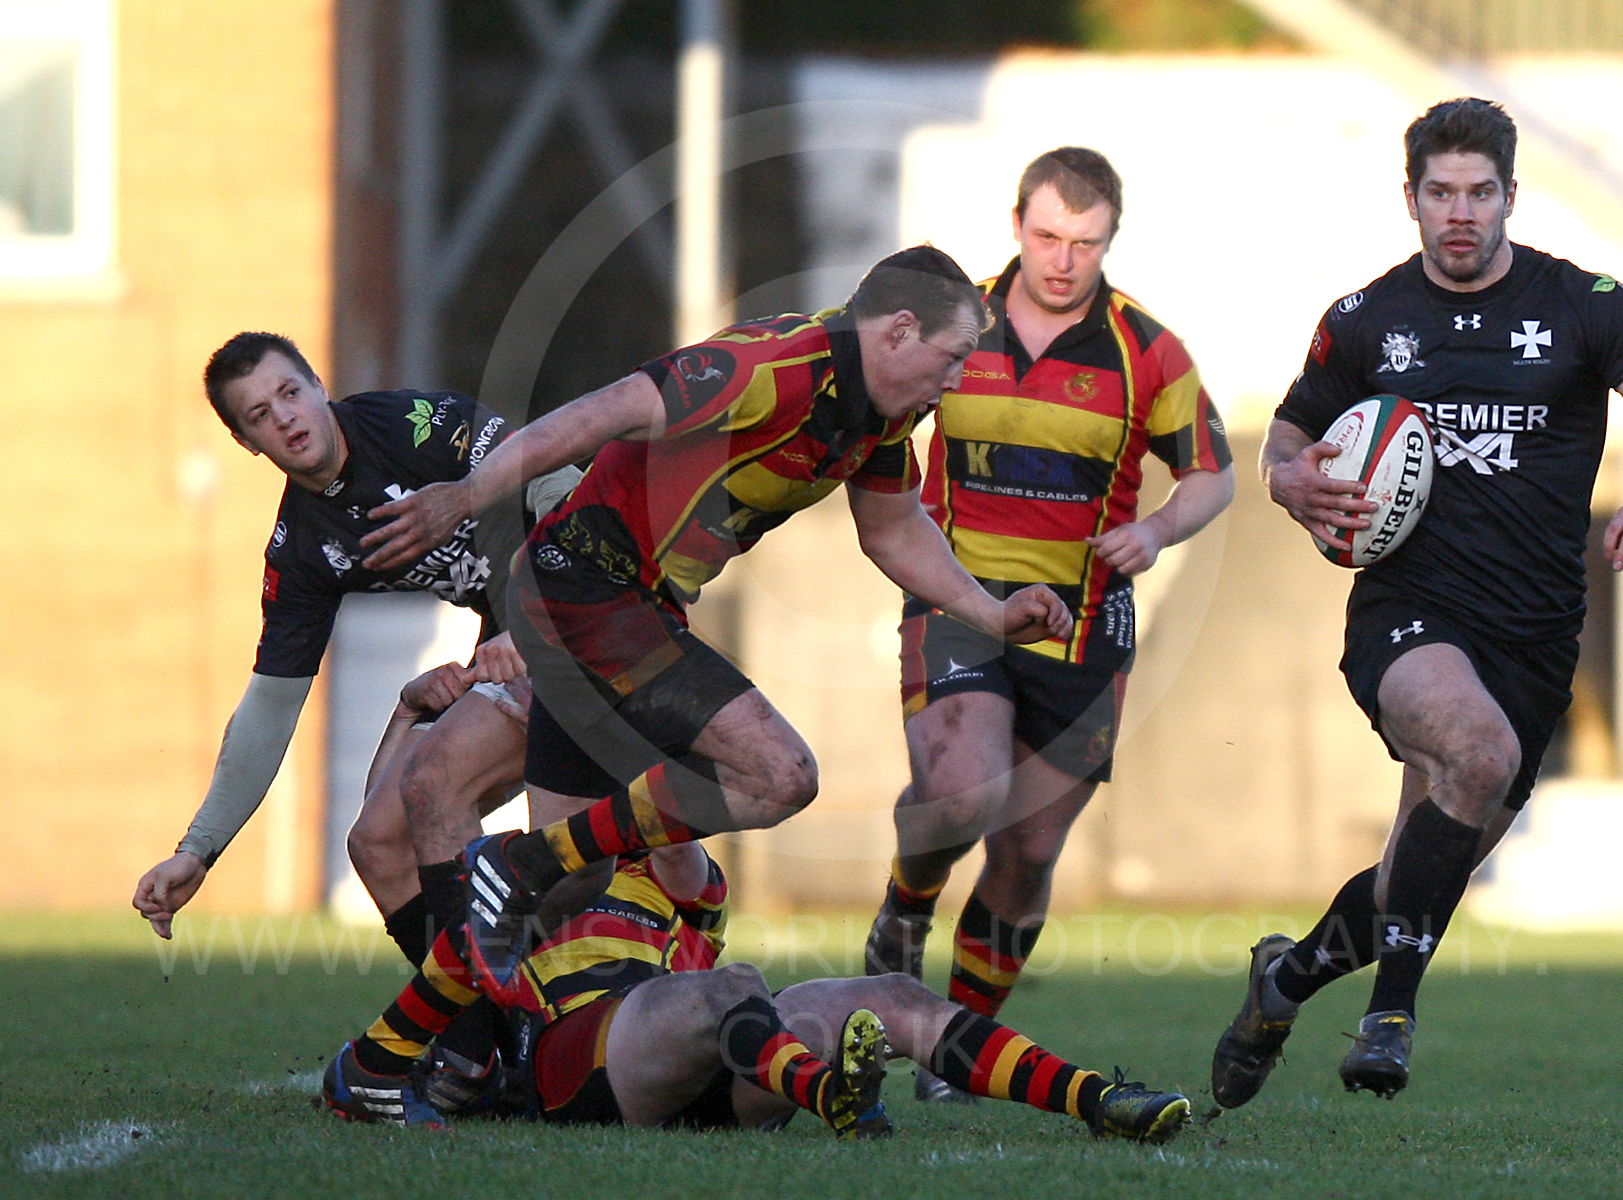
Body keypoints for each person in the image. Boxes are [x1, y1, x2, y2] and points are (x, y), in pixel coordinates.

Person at [360, 246, 1076, 990]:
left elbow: (893, 530)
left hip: (623, 605)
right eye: (953, 356)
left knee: (574, 885)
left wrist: (991, 614)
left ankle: (455, 1025)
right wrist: (464, 496)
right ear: (898, 331)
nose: (958, 379)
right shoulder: (770, 367)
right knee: (779, 774)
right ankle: (528, 871)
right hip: (588, 587)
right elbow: (599, 413)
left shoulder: (884, 416)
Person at [1209, 98, 1623, 1107]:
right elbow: (1288, 438)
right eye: (1440, 193)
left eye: (1479, 193)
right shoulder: (1365, 319)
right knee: (1477, 756)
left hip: (1536, 637)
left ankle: (1284, 981)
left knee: (1411, 879)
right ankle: (1390, 1021)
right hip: (1410, 614)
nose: (1460, 213)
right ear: (1409, 198)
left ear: (1510, 196)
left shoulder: (1586, 305)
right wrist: (1287, 480)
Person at [857, 148, 1233, 1100]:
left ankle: (956, 1048)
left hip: (1084, 628)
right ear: (1016, 223)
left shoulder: (1147, 350)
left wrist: (1157, 529)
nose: (1064, 260)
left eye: (1086, 243)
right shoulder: (955, 322)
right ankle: (905, 908)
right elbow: (872, 401)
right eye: (1048, 236)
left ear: (1112, 239)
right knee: (960, 793)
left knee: (1026, 851)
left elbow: (1213, 474)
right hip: (958, 604)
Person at [130, 333, 576, 966]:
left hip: (590, 605)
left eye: (290, 392)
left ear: (320, 387)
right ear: (246, 441)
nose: (285, 417)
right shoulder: (303, 548)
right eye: (260, 414)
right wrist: (197, 850)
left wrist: (537, 615)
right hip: (511, 647)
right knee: (378, 841)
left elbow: (558, 475)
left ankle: (568, 977)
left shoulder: (413, 426)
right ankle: (484, 1008)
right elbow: (270, 706)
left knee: (469, 799)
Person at [321, 840, 1192, 1144]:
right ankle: (828, 1092)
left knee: (892, 993)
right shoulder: (515, 868)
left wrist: (622, 708)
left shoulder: (675, 874)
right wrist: (414, 711)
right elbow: (385, 838)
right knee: (729, 988)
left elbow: (669, 828)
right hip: (586, 1058)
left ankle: (1095, 1098)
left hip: (727, 1057)